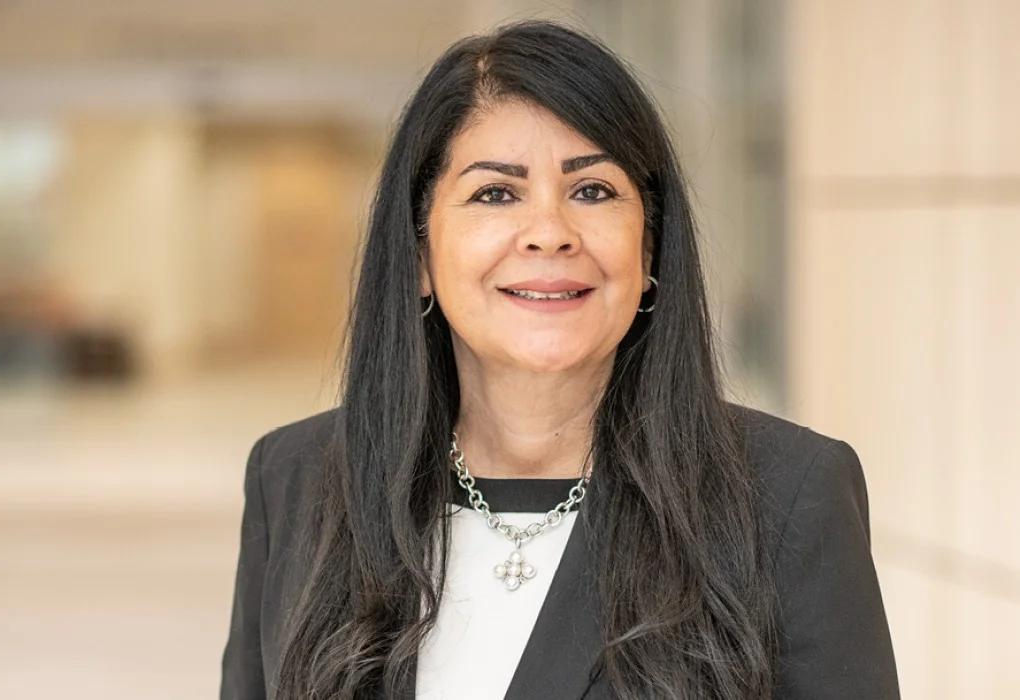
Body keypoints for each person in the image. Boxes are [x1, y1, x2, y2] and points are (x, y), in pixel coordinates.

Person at [220, 20, 898, 700]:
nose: (549, 234)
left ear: (650, 247)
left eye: (592, 191)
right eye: (496, 193)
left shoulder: (787, 495)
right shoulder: (296, 480)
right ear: (420, 253)